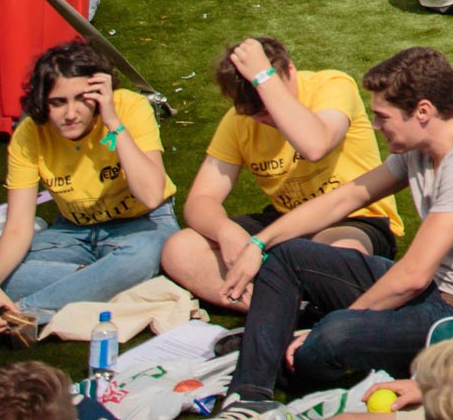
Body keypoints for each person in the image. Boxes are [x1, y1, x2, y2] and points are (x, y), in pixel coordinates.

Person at [216, 48, 453, 412]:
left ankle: (276, 348)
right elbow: (342, 200)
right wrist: (258, 242)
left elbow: (413, 276)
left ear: (423, 112)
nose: (375, 126)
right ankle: (249, 395)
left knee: (332, 337)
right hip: (432, 293)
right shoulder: (417, 150)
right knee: (287, 257)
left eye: (382, 117)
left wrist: (341, 320)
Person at [161, 38, 398, 312]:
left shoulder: (332, 85)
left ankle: (292, 303)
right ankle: (289, 310)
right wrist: (225, 231)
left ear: (290, 71)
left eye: (266, 107)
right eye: (256, 113)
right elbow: (201, 199)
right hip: (284, 223)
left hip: (352, 218)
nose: (267, 117)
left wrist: (265, 81)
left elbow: (315, 145)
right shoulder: (239, 121)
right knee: (180, 249)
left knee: (333, 254)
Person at [0, 42, 173, 330]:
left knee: (140, 257)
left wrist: (113, 121)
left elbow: (152, 195)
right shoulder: (29, 134)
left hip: (141, 225)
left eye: (82, 99)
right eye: (58, 102)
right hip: (73, 231)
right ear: (42, 103)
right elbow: (17, 225)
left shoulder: (130, 107)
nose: (71, 113)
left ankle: (24, 315)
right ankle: (98, 283)